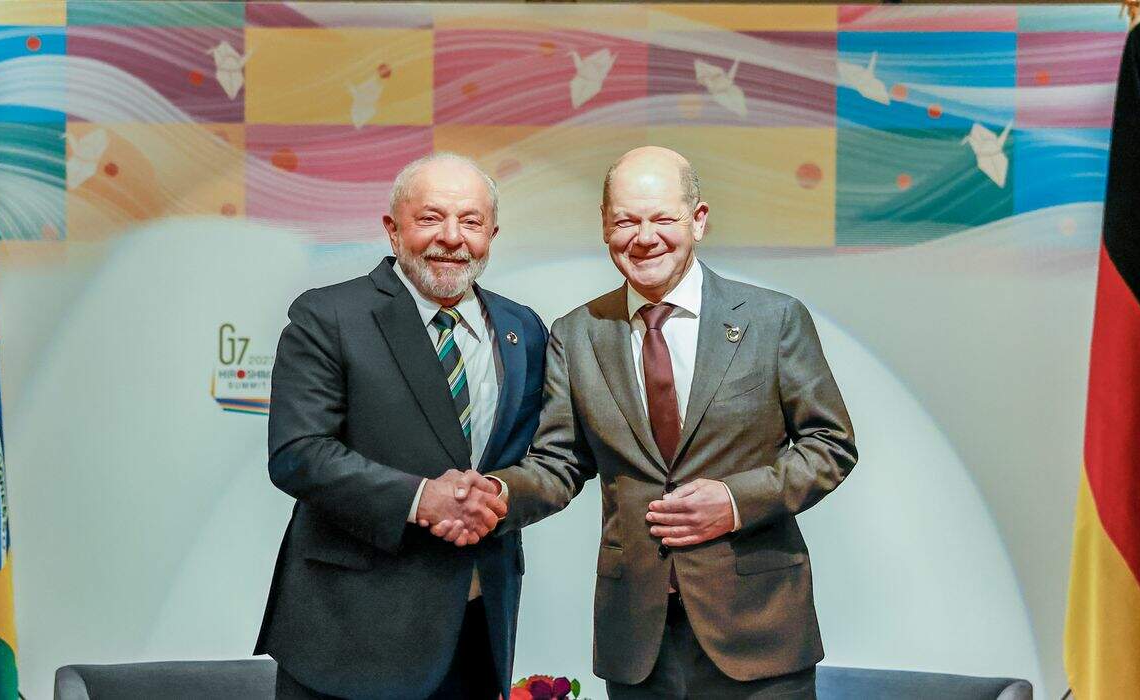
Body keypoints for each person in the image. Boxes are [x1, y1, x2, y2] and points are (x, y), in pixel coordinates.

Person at [444, 146, 857, 698]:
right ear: (604, 226)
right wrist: (496, 493)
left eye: (663, 218)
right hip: (637, 641)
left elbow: (830, 443)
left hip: (759, 631)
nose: (644, 238)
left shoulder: (774, 319)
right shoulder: (577, 333)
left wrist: (735, 501)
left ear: (698, 220)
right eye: (625, 221)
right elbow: (559, 462)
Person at [255, 152, 548, 699]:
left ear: (492, 235)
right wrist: (421, 499)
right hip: (349, 634)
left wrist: (499, 492)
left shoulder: (523, 328)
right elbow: (299, 452)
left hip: (477, 627)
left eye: (471, 221)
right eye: (431, 218)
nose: (452, 238)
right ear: (392, 228)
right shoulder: (329, 316)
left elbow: (546, 457)